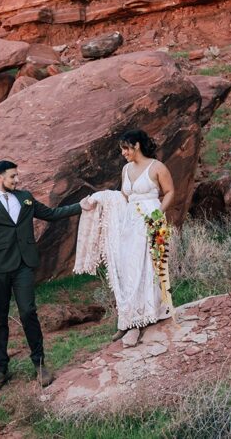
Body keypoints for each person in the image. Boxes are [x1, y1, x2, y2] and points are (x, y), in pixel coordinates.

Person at [0, 160, 95, 393]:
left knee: (28, 312)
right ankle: (0, 370)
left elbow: (50, 213)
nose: (17, 180)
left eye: (17, 176)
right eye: (12, 177)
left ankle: (39, 365)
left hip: (24, 266)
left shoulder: (25, 197)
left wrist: (80, 206)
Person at [73, 130, 175, 347]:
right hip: (131, 221)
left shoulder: (157, 167)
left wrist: (158, 214)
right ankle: (129, 318)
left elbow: (169, 192)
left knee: (147, 267)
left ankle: (141, 320)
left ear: (137, 145)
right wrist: (101, 198)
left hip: (152, 219)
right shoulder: (126, 169)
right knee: (129, 267)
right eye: (122, 149)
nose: (123, 153)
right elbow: (124, 196)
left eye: (126, 148)